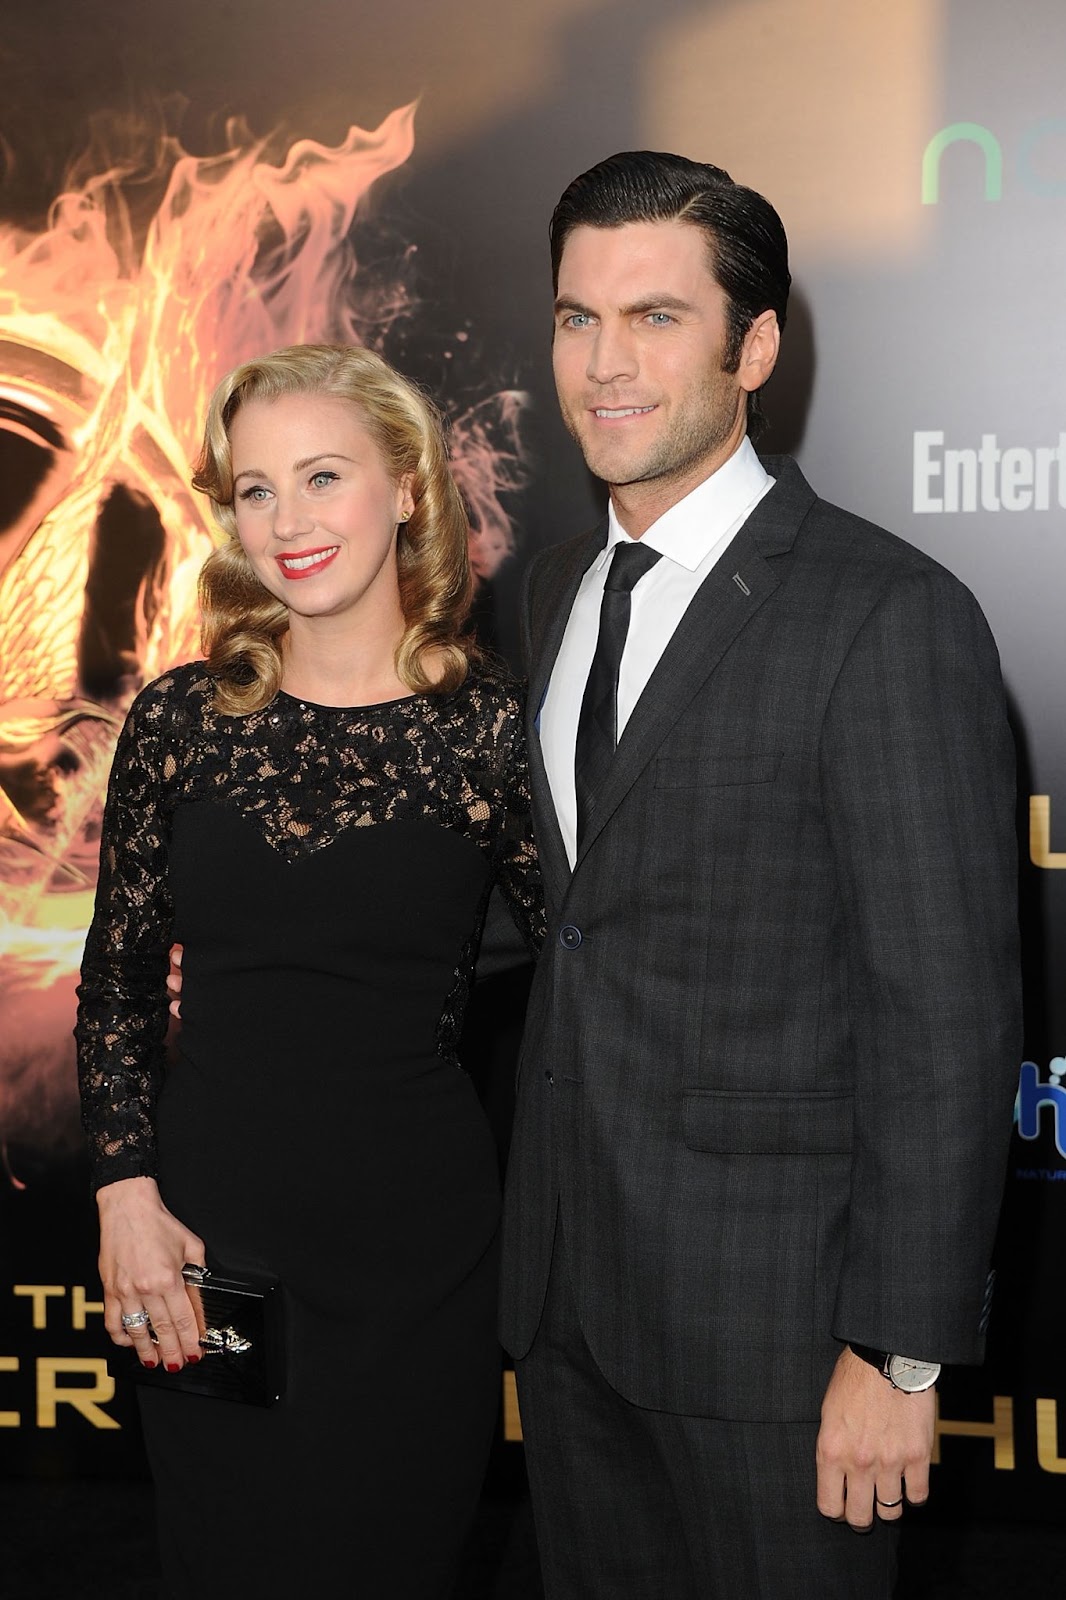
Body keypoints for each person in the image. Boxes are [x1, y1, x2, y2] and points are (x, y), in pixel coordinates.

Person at [497, 151, 1021, 1598]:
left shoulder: (886, 616)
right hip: (566, 1309)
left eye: (655, 318)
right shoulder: (545, 593)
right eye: (575, 318)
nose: (603, 366)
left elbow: (944, 1021)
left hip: (781, 1339)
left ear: (756, 347)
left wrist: (897, 1351)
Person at [75, 342, 543, 1599]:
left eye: (321, 477)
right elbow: (116, 981)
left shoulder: (492, 734)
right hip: (205, 1249)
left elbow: (590, 975)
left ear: (406, 489)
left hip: (419, 1264)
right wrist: (126, 1192)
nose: (285, 522)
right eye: (254, 489)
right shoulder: (179, 723)